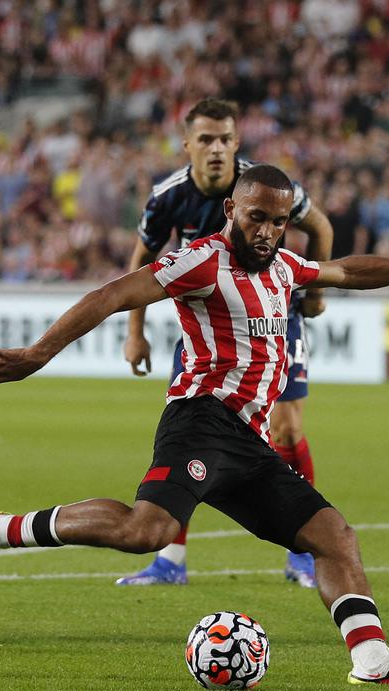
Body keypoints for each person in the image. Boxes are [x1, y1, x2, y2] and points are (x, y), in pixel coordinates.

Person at [0, 164, 389, 686]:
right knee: (146, 533)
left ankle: (372, 659)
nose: (267, 231)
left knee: (334, 537)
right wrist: (39, 354)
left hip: (250, 442)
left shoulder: (284, 267)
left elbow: (348, 269)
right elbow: (112, 294)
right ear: (232, 208)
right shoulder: (201, 261)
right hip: (201, 420)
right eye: (256, 217)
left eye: (279, 222)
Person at [119, 98, 335, 588]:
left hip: (275, 316)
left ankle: (300, 554)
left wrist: (315, 294)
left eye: (225, 139)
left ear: (236, 143)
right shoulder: (168, 196)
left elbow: (320, 226)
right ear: (188, 145)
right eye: (206, 140)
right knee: (192, 433)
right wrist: (135, 333)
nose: (216, 149)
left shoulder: (265, 185)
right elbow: (141, 262)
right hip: (209, 329)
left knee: (286, 428)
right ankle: (170, 560)